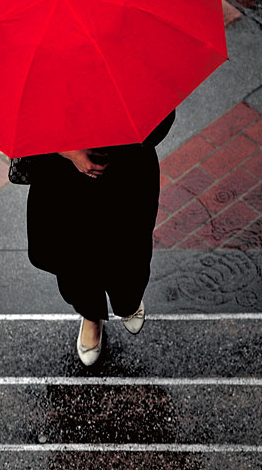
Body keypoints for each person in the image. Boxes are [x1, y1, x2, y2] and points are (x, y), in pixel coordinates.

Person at [26, 110, 176, 366]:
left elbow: (161, 117)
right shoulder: (46, 76)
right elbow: (28, 127)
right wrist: (68, 151)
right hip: (62, 184)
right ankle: (92, 315)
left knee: (128, 250)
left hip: (125, 175)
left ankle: (126, 300)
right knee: (73, 259)